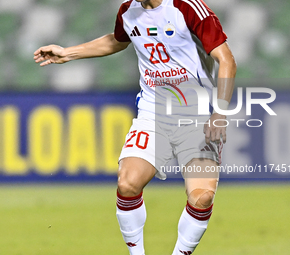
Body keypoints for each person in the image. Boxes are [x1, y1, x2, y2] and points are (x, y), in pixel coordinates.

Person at [34, 0, 236, 254]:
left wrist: (220, 112)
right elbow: (118, 40)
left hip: (195, 115)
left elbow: (226, 59)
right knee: (128, 182)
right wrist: (69, 53)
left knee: (202, 196)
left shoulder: (187, 8)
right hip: (153, 113)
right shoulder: (128, 11)